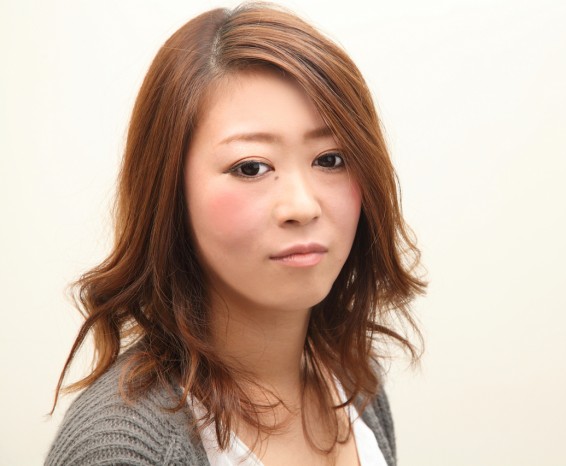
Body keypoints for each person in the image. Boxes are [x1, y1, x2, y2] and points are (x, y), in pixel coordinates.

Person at [46, 3, 425, 465]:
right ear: (170, 190)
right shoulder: (121, 451)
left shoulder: (352, 381)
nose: (302, 206)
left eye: (330, 159)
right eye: (251, 167)